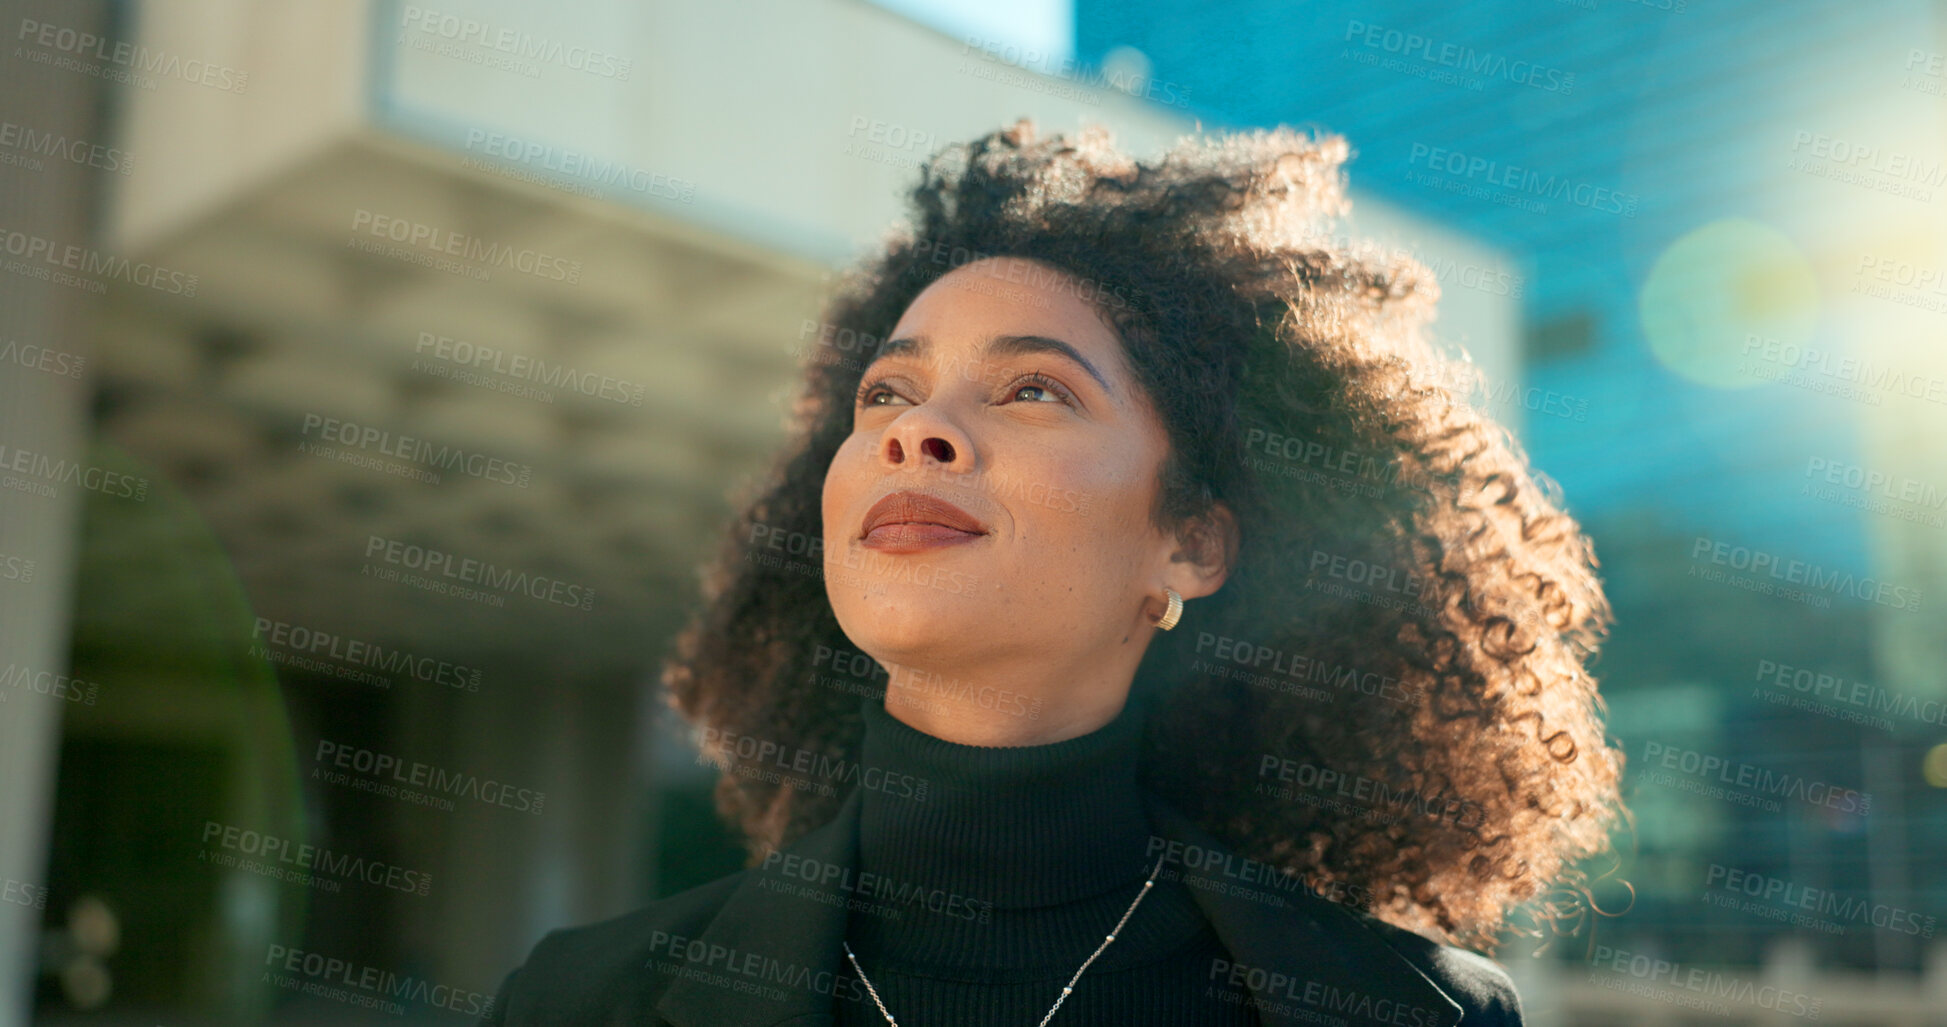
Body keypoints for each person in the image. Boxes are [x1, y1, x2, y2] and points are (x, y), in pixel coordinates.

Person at [481, 118, 1624, 1026]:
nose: (916, 432)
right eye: (886, 391)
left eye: (1033, 389)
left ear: (1192, 542)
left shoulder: (1414, 1013)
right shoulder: (583, 1002)